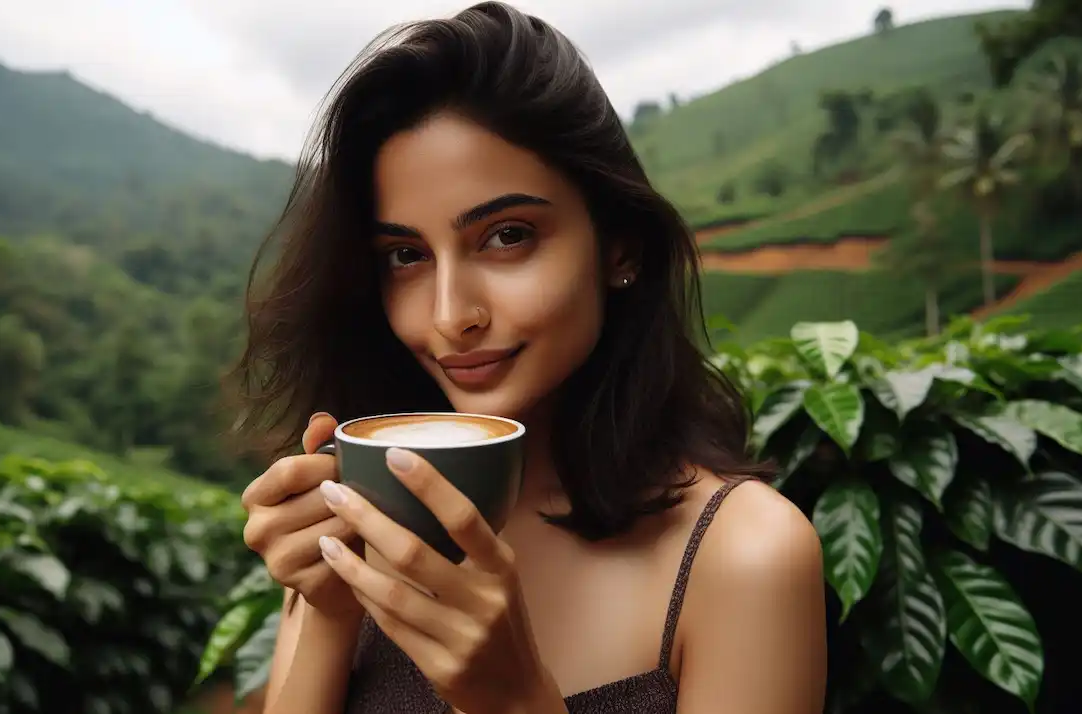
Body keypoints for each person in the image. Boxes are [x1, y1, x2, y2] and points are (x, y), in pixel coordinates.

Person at [235, 3, 827, 713]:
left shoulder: (744, 556)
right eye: (405, 256)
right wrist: (330, 607)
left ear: (620, 249)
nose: (452, 315)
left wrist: (515, 701)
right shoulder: (369, 518)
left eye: (507, 236)